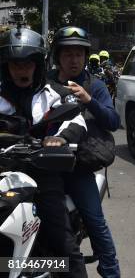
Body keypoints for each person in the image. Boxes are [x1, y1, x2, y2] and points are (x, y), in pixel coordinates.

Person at [0, 26, 88, 277]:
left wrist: (59, 139)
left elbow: (75, 121)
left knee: (63, 244)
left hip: (41, 172)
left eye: (27, 63)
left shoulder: (54, 93)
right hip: (3, 170)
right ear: (6, 66)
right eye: (15, 64)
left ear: (38, 65)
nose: (21, 70)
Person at [49, 26, 122, 277]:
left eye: (79, 54)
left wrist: (89, 100)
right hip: (44, 165)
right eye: (68, 54)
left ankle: (111, 271)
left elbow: (113, 121)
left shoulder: (96, 85)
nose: (74, 59)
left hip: (78, 166)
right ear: (58, 56)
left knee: (95, 220)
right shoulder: (45, 83)